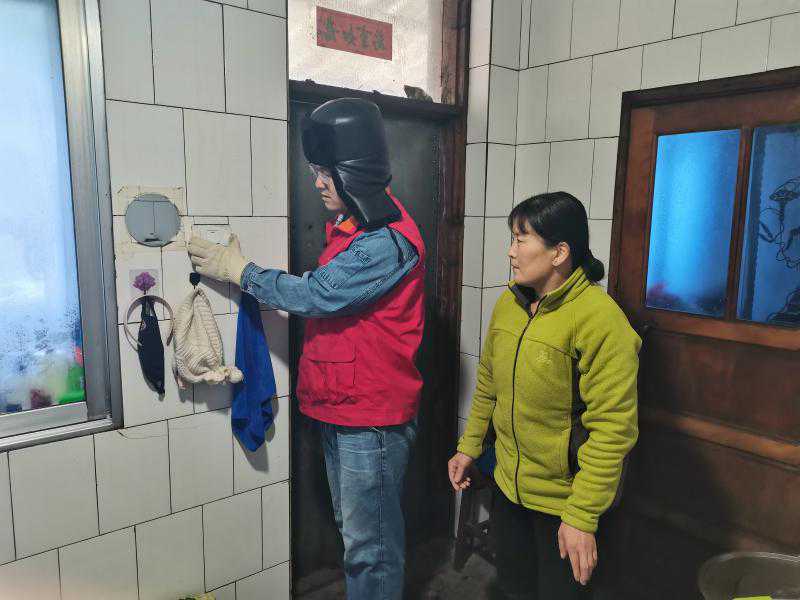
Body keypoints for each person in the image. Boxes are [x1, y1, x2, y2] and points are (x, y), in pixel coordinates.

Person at [187, 98, 425, 600]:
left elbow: (317, 295)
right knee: (357, 534)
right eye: (315, 170)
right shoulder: (355, 227)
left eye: (325, 172)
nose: (317, 182)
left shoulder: (384, 242)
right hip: (345, 407)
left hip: (371, 419)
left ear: (355, 171)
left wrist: (241, 272)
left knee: (372, 547)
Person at [448, 192, 640, 599]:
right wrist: (469, 447)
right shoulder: (510, 303)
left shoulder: (600, 320)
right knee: (514, 588)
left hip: (562, 501)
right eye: (512, 239)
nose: (511, 251)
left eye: (521, 239)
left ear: (559, 253)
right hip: (508, 487)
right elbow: (488, 385)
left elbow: (613, 430)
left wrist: (581, 515)